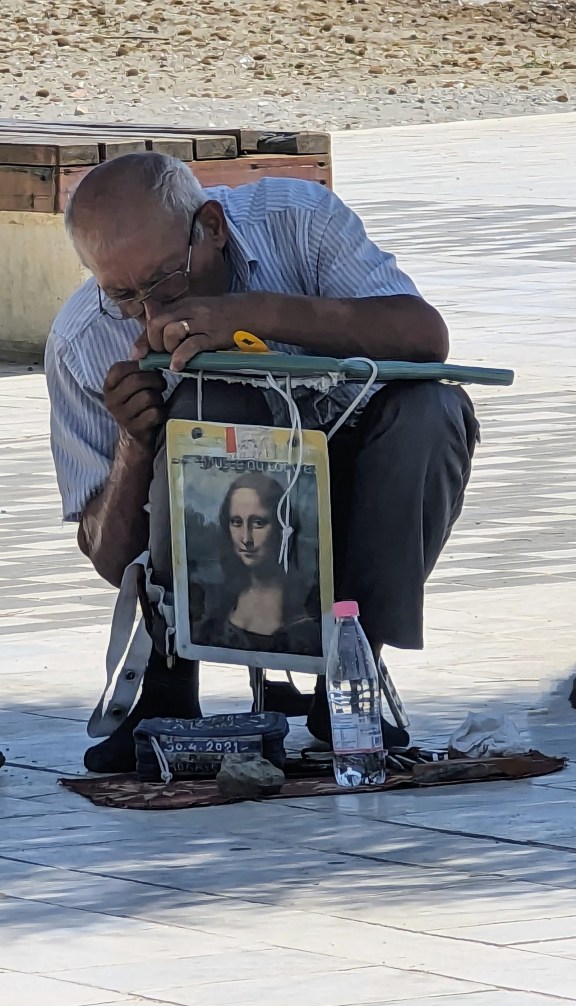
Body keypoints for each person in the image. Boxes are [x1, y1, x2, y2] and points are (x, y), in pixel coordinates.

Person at [45, 152, 479, 773]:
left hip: (354, 489)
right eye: (123, 295)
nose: (152, 312)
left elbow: (425, 338)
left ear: (212, 227)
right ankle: (167, 686)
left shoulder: (297, 220)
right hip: (225, 520)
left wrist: (257, 313)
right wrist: (134, 444)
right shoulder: (82, 339)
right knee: (209, 404)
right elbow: (111, 559)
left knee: (434, 410)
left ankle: (350, 674)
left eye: (167, 281)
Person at [196, 471, 321, 656]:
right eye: (236, 522)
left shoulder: (304, 614)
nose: (246, 539)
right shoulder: (219, 604)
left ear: (281, 526)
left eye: (258, 523)